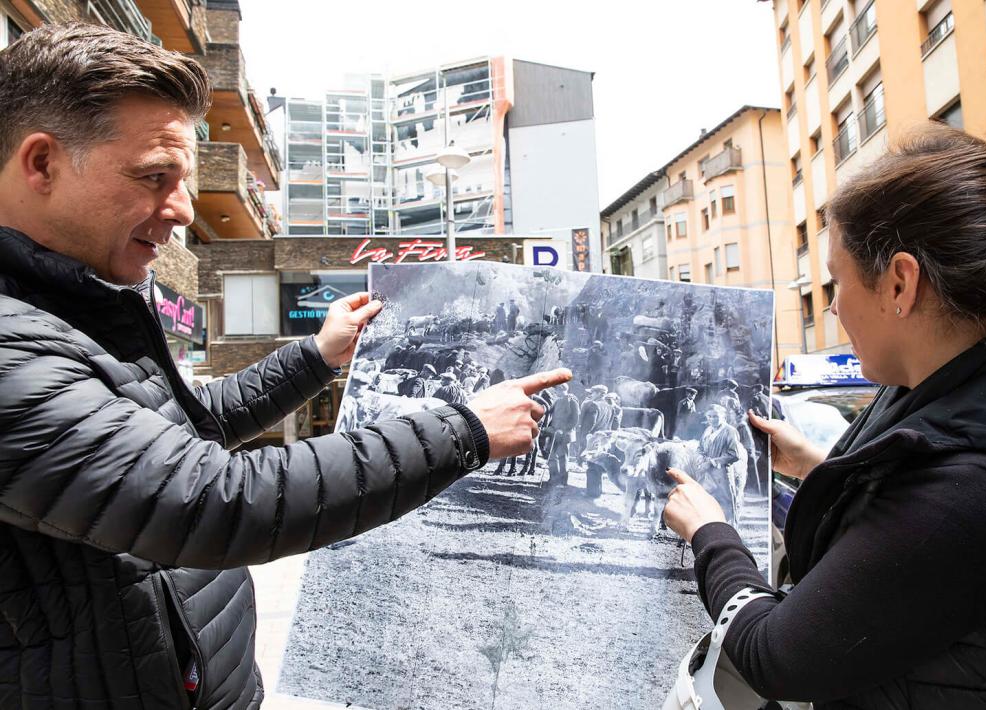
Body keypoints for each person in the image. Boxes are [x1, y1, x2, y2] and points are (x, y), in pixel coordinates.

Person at [0, 24, 570, 709]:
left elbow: (193, 423)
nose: (181, 210)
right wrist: (463, 431)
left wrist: (318, 355)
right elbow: (209, 500)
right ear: (41, 164)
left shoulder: (81, 302)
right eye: (156, 177)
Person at [662, 122, 986, 708]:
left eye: (837, 279)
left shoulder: (976, 493)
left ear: (900, 282)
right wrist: (819, 467)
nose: (835, 304)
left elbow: (778, 657)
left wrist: (711, 533)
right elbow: (915, 513)